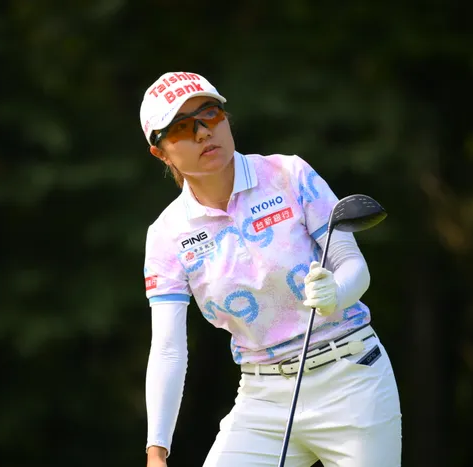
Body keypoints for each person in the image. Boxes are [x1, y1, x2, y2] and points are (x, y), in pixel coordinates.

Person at [140, 71, 402, 467]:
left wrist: (336, 294)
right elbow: (168, 348)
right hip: (262, 400)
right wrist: (156, 449)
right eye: (180, 127)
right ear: (160, 153)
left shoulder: (288, 175)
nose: (202, 132)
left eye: (210, 114)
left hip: (352, 378)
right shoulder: (167, 235)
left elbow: (353, 266)